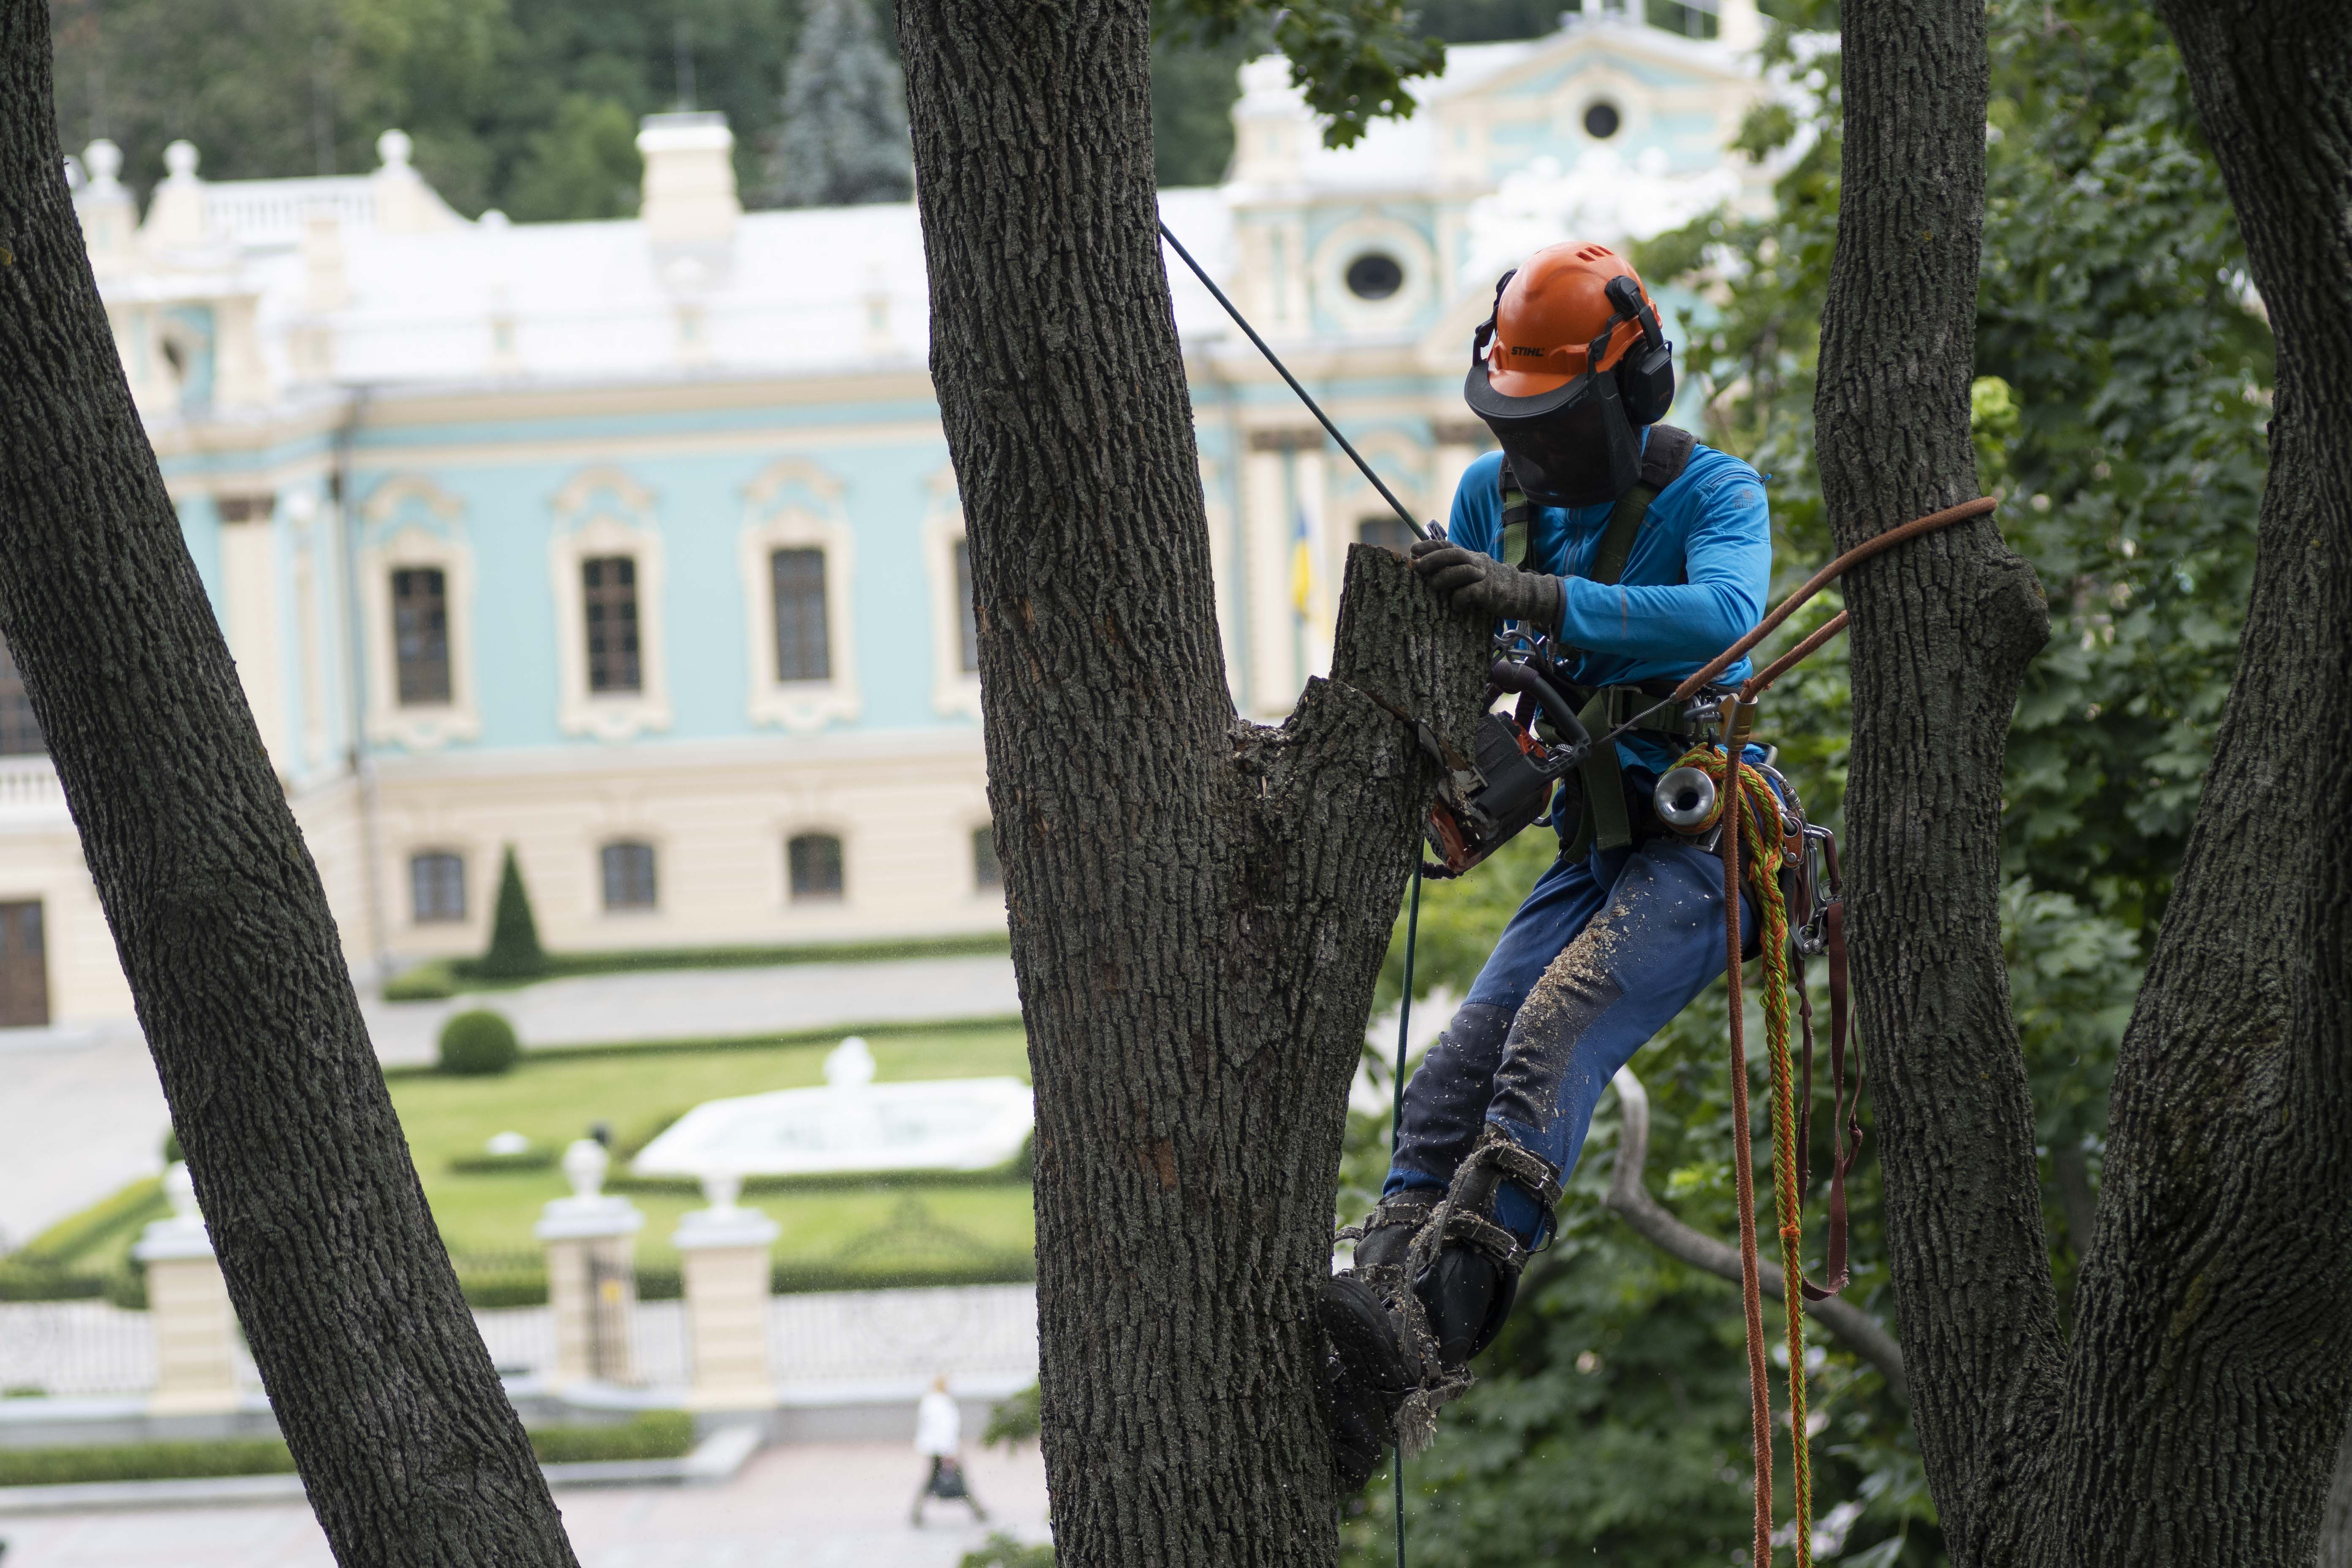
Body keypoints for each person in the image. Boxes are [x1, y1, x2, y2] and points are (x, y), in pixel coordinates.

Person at [1321, 240, 1772, 1487]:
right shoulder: (1487, 500)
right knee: (1453, 1068)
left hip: (1698, 845)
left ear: (1628, 398)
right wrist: (1466, 774)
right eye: (1510, 420)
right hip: (1586, 849)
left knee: (1550, 1034)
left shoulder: (1711, 495)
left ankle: (1445, 1319)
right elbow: (1481, 684)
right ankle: (1368, 1324)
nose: (1529, 453)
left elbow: (1727, 618)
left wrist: (1541, 593)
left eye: (1555, 425)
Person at [911, 1374, 989, 1526]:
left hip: (935, 1447)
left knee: (931, 1480)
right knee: (956, 1479)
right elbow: (945, 1429)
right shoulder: (942, 1403)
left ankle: (916, 1513)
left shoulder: (930, 1402)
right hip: (943, 1447)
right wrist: (949, 1450)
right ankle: (978, 1511)